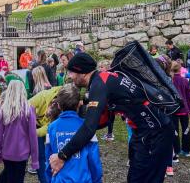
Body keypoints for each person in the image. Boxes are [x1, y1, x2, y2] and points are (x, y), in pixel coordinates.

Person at [49, 52, 175, 183]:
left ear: (82, 72)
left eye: (71, 72)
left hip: (156, 132)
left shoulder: (99, 85)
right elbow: (103, 120)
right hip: (143, 131)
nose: (70, 76)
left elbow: (89, 127)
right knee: (134, 178)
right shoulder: (102, 79)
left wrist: (62, 155)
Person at [45, 84, 103, 183]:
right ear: (78, 105)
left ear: (58, 105)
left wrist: (49, 179)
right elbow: (94, 159)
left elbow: (48, 158)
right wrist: (97, 180)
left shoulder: (51, 128)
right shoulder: (87, 127)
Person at [0, 80, 39, 183]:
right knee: (19, 178)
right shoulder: (28, 110)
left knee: (9, 177)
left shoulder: (3, 110)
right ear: (23, 91)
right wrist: (35, 160)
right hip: (23, 154)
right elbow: (33, 137)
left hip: (7, 153)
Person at [28, 86, 62, 182]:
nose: (47, 116)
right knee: (39, 155)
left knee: (50, 154)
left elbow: (48, 128)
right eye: (48, 114)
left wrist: (33, 133)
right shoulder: (42, 96)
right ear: (50, 104)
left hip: (45, 129)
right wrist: (29, 130)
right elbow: (26, 106)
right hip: (33, 124)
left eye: (49, 116)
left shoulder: (59, 113)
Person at [171, 61, 190, 162]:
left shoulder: (170, 81)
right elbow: (189, 97)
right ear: (180, 69)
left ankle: (176, 150)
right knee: (185, 129)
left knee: (175, 130)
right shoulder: (185, 81)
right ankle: (186, 150)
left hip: (174, 109)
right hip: (184, 109)